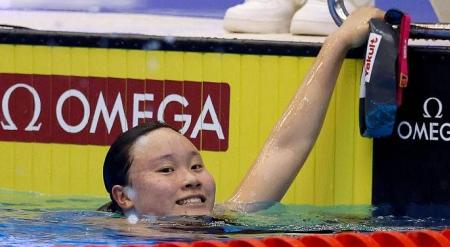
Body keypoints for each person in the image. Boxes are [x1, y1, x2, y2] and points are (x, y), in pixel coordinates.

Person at [100, 7, 385, 218]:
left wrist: (338, 41)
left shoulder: (229, 220)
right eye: (166, 169)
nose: (191, 179)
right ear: (124, 196)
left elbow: (285, 147)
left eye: (196, 165)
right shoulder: (101, 240)